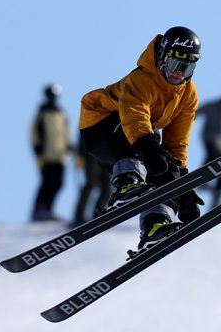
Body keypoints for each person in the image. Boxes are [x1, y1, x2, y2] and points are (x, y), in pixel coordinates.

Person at [78, 26, 204, 251]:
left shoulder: (188, 95)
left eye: (187, 67)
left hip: (136, 140)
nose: (179, 73)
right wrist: (149, 148)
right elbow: (134, 117)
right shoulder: (143, 78)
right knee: (147, 143)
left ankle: (155, 224)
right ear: (163, 57)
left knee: (166, 169)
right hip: (101, 127)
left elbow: (176, 143)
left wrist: (180, 187)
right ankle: (126, 183)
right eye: (176, 64)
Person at [30, 84, 72, 222]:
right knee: (47, 182)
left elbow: (66, 134)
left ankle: (48, 209)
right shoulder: (41, 114)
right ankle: (39, 210)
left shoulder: (61, 113)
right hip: (46, 156)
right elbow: (34, 135)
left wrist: (71, 149)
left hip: (60, 156)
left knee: (58, 183)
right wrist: (38, 153)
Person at [71, 139, 111, 226]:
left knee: (107, 189)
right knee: (90, 185)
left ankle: (97, 216)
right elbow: (83, 137)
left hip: (105, 160)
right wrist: (81, 157)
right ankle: (78, 217)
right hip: (91, 160)